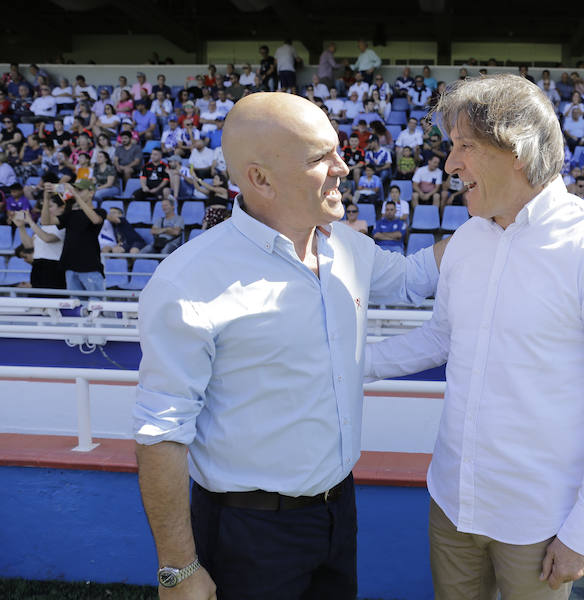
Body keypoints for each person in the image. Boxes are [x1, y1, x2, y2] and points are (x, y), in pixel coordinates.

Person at [132, 92, 446, 599]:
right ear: (260, 179)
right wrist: (178, 569)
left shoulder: (344, 245)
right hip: (248, 534)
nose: (343, 167)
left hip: (338, 514)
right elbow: (161, 434)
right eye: (320, 158)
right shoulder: (187, 281)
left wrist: (500, 214)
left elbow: (414, 277)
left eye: (337, 151)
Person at [367, 75, 584, 599]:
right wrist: (345, 363)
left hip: (540, 520)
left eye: (465, 147)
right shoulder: (468, 240)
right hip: (452, 503)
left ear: (517, 150)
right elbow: (440, 339)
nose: (451, 164)